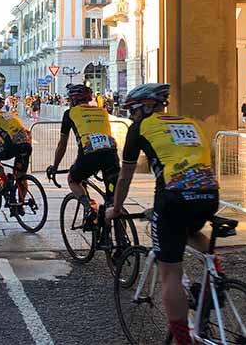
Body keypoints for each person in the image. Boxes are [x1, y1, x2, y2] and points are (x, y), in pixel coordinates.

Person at [105, 83, 219, 345]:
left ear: (146, 107)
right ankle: (216, 275)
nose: (131, 117)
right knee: (190, 231)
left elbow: (124, 177)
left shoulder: (140, 127)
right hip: (209, 192)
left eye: (132, 111)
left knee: (170, 274)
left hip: (174, 195)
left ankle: (182, 340)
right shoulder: (189, 122)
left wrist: (117, 208)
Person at [46, 83, 120, 228]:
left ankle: (90, 209)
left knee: (73, 179)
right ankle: (121, 239)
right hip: (111, 154)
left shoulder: (70, 113)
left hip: (89, 155)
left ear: (73, 100)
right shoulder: (102, 111)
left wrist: (55, 166)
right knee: (112, 199)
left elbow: (62, 145)